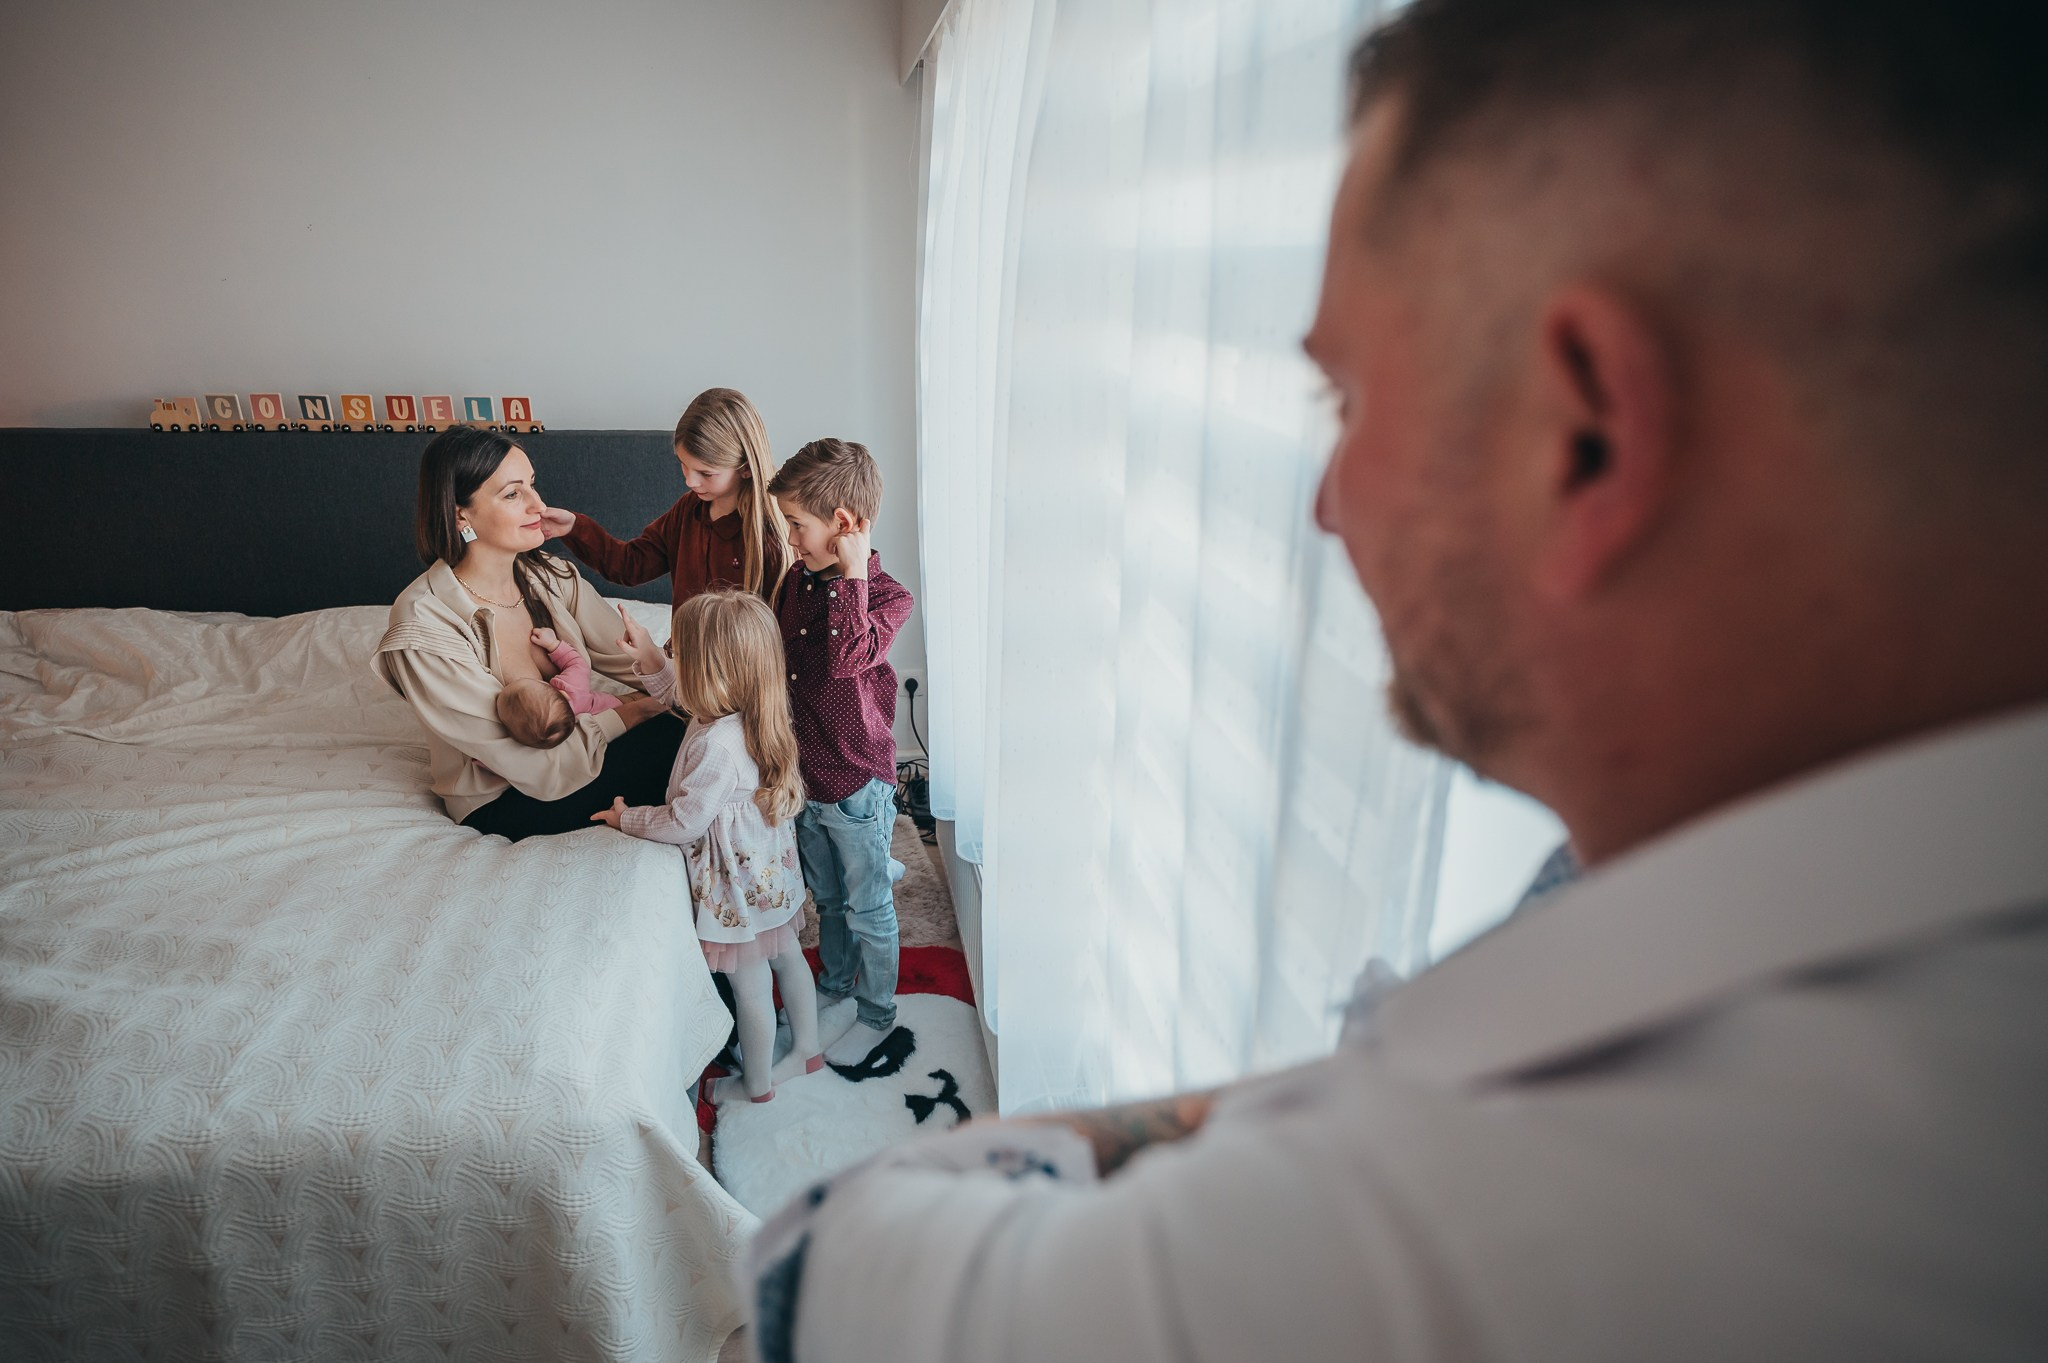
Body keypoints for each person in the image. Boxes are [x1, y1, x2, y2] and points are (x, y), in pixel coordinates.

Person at [737, 2, 2048, 1359]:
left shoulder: (1422, 1220)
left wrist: (1321, 1095)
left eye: (1348, 405)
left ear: (1584, 434)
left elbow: (816, 1276)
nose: (1326, 507)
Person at [375, 426, 679, 840]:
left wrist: (686, 692)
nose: (538, 505)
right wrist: (636, 710)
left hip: (577, 755)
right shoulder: (423, 624)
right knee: (685, 743)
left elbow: (640, 666)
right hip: (506, 797)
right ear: (460, 512)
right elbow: (531, 766)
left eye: (533, 485)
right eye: (513, 494)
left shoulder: (552, 576)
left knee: (719, 727)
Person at [590, 589, 823, 1102]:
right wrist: (650, 658)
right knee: (789, 958)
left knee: (750, 985)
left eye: (680, 655)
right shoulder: (750, 711)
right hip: (772, 877)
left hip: (739, 892)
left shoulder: (718, 744)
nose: (673, 661)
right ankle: (808, 1047)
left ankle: (759, 1083)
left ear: (710, 672)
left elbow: (684, 822)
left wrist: (627, 818)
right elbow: (676, 694)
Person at [766, 439, 916, 1066]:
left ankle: (879, 1009)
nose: (792, 539)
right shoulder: (797, 581)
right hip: (805, 775)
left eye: (798, 525)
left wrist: (852, 575)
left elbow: (849, 656)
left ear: (846, 525)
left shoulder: (887, 598)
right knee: (825, 898)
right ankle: (833, 983)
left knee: (868, 904)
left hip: (856, 781)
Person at [540, 386, 792, 607]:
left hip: (741, 660)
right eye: (683, 464)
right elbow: (630, 565)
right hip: (684, 657)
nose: (689, 481)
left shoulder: (770, 535)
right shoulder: (687, 512)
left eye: (706, 473)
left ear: (746, 468)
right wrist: (575, 527)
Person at [495, 625, 624, 748]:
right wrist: (552, 644)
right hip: (620, 709)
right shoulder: (571, 687)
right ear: (564, 694)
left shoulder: (551, 735)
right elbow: (577, 664)